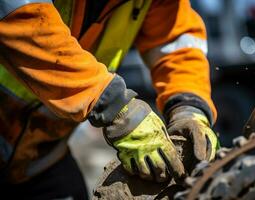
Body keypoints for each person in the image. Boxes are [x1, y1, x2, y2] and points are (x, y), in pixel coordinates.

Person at [0, 0, 219, 199]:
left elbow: (176, 41)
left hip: (38, 159)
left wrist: (190, 108)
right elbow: (21, 20)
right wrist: (115, 107)